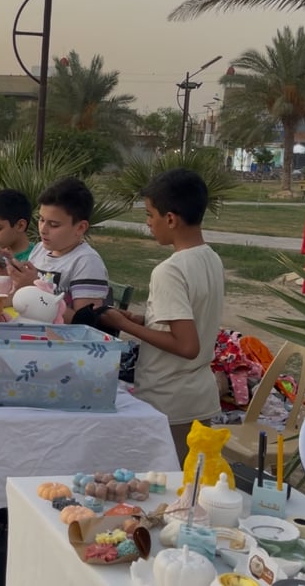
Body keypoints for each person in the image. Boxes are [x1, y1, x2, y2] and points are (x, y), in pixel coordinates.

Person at [99, 168, 225, 462]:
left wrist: (124, 326)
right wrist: (142, 320)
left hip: (170, 401)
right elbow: (191, 319)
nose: (148, 224)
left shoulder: (170, 270)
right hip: (197, 398)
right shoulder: (211, 258)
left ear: (170, 218)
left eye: (149, 214)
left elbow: (186, 346)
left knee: (168, 491)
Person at [6, 177, 110, 323]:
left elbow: (83, 324)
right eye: (41, 220)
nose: (43, 229)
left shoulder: (86, 262)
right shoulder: (40, 249)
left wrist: (33, 288)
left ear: (80, 228)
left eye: (54, 225)